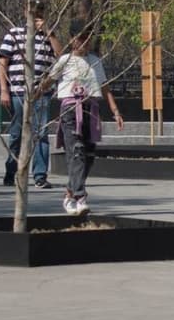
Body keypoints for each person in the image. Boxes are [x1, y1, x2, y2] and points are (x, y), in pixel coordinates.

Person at [41, 20, 124, 216]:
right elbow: (49, 81)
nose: (84, 42)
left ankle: (70, 194)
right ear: (72, 39)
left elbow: (105, 87)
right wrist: (34, 95)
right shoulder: (65, 60)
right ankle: (80, 197)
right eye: (80, 38)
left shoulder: (95, 61)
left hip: (90, 108)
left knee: (88, 156)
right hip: (70, 109)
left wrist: (115, 111)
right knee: (76, 151)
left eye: (87, 38)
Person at [0, 0, 61, 188]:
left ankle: (40, 175)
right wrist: (4, 90)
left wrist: (49, 33)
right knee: (16, 134)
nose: (37, 13)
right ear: (26, 11)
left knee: (41, 133)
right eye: (33, 9)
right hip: (18, 92)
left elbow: (61, 56)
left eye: (40, 9)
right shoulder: (14, 33)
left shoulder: (48, 37)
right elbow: (3, 64)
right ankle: (12, 170)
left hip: (41, 93)